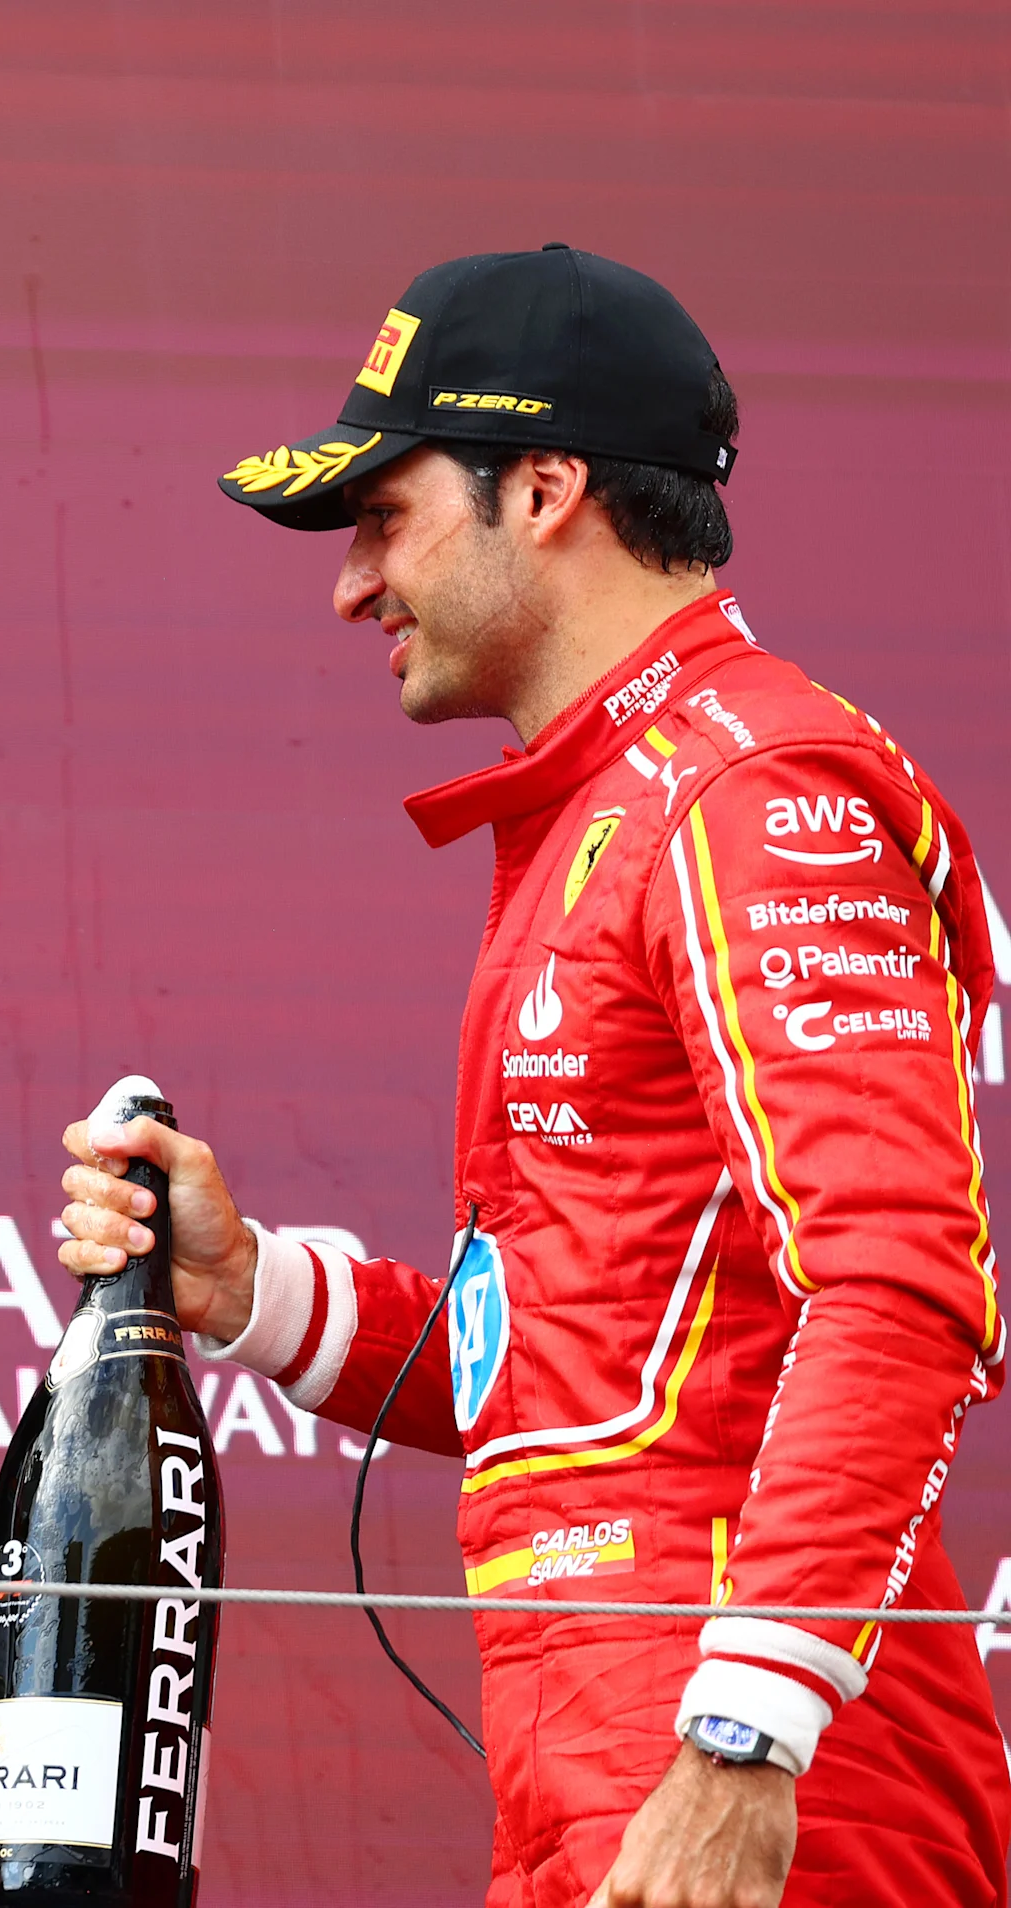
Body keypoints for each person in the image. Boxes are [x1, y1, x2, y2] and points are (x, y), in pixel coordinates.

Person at [59, 246, 1006, 1907]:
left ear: (547, 488)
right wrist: (252, 1288)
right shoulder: (610, 807)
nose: (352, 584)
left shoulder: (747, 787)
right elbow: (591, 1355)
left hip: (757, 1768)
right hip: (603, 1743)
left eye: (383, 513)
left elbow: (900, 1276)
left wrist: (747, 1733)